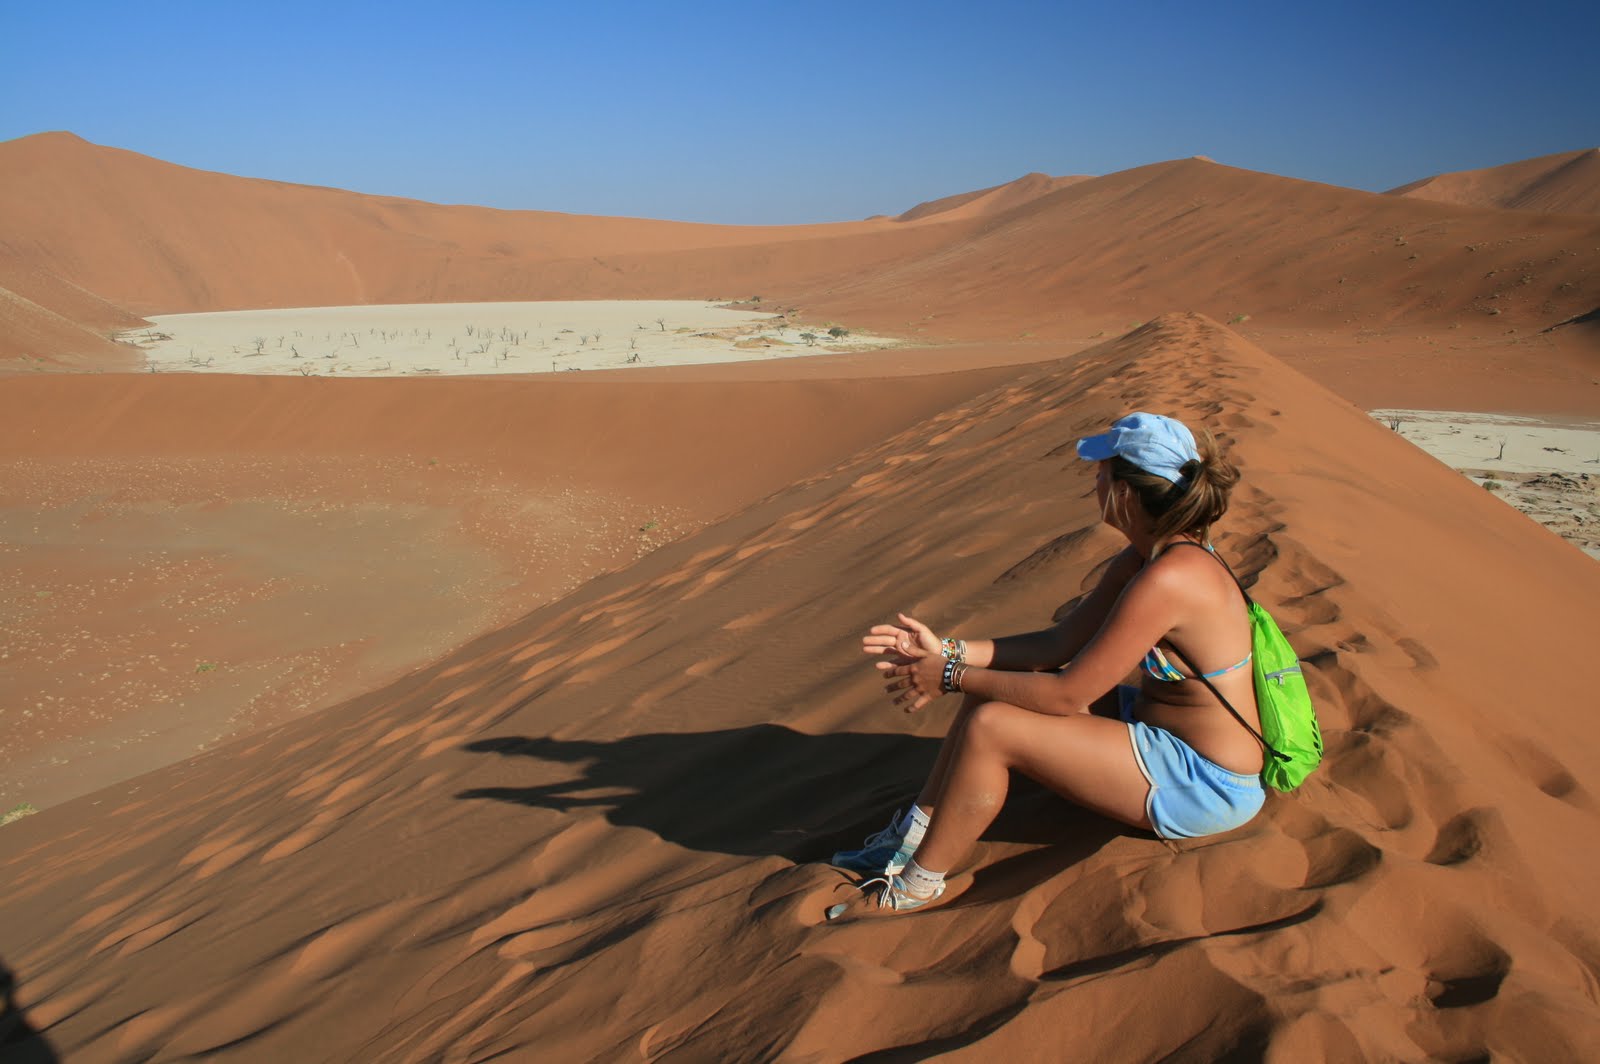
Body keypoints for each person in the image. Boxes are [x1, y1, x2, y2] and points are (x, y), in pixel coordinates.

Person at [835, 412, 1266, 916]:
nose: (1094, 480)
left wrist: (949, 678)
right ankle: (909, 839)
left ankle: (915, 886)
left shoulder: (1170, 579)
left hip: (1205, 782)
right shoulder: (1146, 557)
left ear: (1124, 492)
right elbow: (1057, 645)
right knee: (1000, 689)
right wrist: (948, 652)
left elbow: (1068, 695)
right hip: (1155, 732)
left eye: (1102, 470)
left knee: (993, 726)